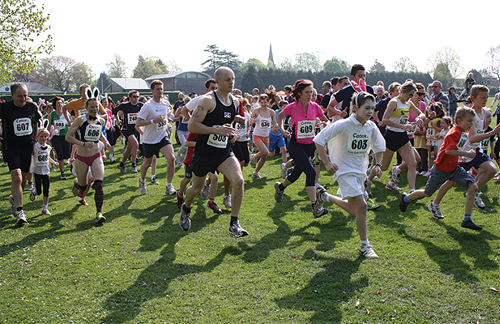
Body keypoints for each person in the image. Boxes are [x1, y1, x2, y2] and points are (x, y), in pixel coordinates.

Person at [178, 67, 248, 237]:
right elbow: (192, 126)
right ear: (217, 82)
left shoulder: (236, 102)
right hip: (204, 152)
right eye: (227, 79)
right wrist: (216, 130)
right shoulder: (207, 100)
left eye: (233, 79)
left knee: (238, 180)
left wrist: (230, 133)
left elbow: (225, 124)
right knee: (196, 188)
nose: (231, 82)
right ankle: (186, 208)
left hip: (223, 151)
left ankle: (234, 224)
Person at [314, 92, 385, 258]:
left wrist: (379, 165)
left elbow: (379, 147)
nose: (369, 112)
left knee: (354, 210)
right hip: (344, 170)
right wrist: (327, 162)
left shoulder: (370, 126)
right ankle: (364, 246)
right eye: (366, 108)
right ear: (356, 107)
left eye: (372, 108)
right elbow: (319, 140)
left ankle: (324, 196)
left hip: (360, 171)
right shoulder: (344, 124)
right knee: (362, 206)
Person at [399, 107, 482, 230]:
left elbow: (453, 150)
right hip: (441, 169)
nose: (472, 124)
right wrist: (467, 154)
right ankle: (406, 198)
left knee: (473, 186)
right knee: (427, 193)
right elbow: (449, 151)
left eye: (473, 121)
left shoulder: (461, 132)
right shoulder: (455, 132)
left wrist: (459, 156)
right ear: (459, 121)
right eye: (469, 121)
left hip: (454, 168)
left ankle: (467, 219)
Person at [430, 85, 500, 211]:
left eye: (486, 97)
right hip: (463, 153)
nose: (485, 100)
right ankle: (435, 204)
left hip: (475, 151)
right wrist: (492, 133)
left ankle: (474, 192)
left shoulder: (484, 112)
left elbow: (477, 135)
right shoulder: (469, 114)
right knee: (451, 182)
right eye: (482, 97)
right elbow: (472, 138)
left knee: (491, 169)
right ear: (473, 98)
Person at [275, 79, 330, 218]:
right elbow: (280, 117)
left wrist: (323, 123)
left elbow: (326, 120)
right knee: (311, 173)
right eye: (307, 92)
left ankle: (280, 187)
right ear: (299, 93)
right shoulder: (292, 107)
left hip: (309, 146)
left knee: (296, 174)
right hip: (295, 145)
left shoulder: (315, 107)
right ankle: (316, 207)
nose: (310, 95)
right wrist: (282, 130)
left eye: (311, 92)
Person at [65, 88, 110, 223]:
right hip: (82, 158)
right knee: (84, 186)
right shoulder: (80, 120)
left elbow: (99, 133)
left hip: (96, 155)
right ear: (86, 107)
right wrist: (83, 143)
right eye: (92, 107)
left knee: (98, 184)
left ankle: (99, 213)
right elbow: (68, 137)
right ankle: (78, 185)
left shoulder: (101, 120)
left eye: (96, 107)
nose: (94, 110)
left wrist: (105, 141)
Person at [1, 82, 43, 226]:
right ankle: (20, 211)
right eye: (19, 96)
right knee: (17, 177)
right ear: (12, 95)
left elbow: (36, 122)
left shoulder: (32, 107)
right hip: (11, 147)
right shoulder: (5, 108)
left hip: (26, 147)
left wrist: (35, 141)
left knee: (23, 180)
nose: (23, 98)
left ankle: (14, 198)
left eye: (25, 95)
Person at [378, 81, 425, 193]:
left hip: (402, 136)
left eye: (413, 94)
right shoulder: (394, 102)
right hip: (391, 136)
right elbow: (385, 120)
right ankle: (367, 179)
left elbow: (421, 113)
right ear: (403, 92)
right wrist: (402, 126)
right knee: (383, 167)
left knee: (413, 162)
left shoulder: (408, 102)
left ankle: (411, 191)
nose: (412, 97)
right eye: (410, 94)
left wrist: (419, 118)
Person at [135, 80, 176, 196]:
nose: (160, 91)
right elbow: (138, 122)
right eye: (157, 89)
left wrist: (168, 122)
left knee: (171, 157)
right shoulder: (147, 106)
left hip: (162, 136)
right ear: (152, 90)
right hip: (149, 139)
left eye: (161, 89)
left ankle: (169, 186)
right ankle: (142, 180)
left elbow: (166, 116)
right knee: (147, 164)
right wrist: (153, 121)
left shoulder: (166, 103)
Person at [29, 124, 59, 215]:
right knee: (39, 191)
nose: (43, 138)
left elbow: (47, 157)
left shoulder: (49, 147)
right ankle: (34, 191)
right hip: (37, 171)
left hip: (46, 171)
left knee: (46, 189)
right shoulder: (35, 147)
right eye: (41, 136)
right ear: (37, 137)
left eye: (45, 136)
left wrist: (53, 162)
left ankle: (45, 207)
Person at [249, 94, 278, 179]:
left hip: (266, 135)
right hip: (257, 135)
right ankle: (253, 156)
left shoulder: (271, 112)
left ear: (268, 102)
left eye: (265, 102)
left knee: (264, 156)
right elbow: (249, 121)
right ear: (259, 102)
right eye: (261, 102)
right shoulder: (256, 110)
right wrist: (252, 120)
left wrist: (275, 126)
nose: (263, 104)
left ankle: (255, 173)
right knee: (265, 151)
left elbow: (274, 122)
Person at [115, 90, 143, 174]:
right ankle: (133, 165)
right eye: (134, 97)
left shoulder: (140, 105)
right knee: (136, 144)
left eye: (137, 96)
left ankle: (121, 164)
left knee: (129, 149)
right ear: (130, 98)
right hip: (127, 129)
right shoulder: (125, 105)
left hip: (136, 129)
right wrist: (118, 120)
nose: (136, 98)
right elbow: (115, 110)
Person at [48, 96, 71, 180]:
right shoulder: (51, 115)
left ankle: (72, 166)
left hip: (65, 136)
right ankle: (62, 172)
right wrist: (49, 136)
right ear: (55, 105)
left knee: (67, 155)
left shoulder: (66, 113)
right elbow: (48, 125)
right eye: (58, 103)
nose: (60, 104)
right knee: (60, 155)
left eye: (61, 103)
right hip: (56, 137)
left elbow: (70, 124)